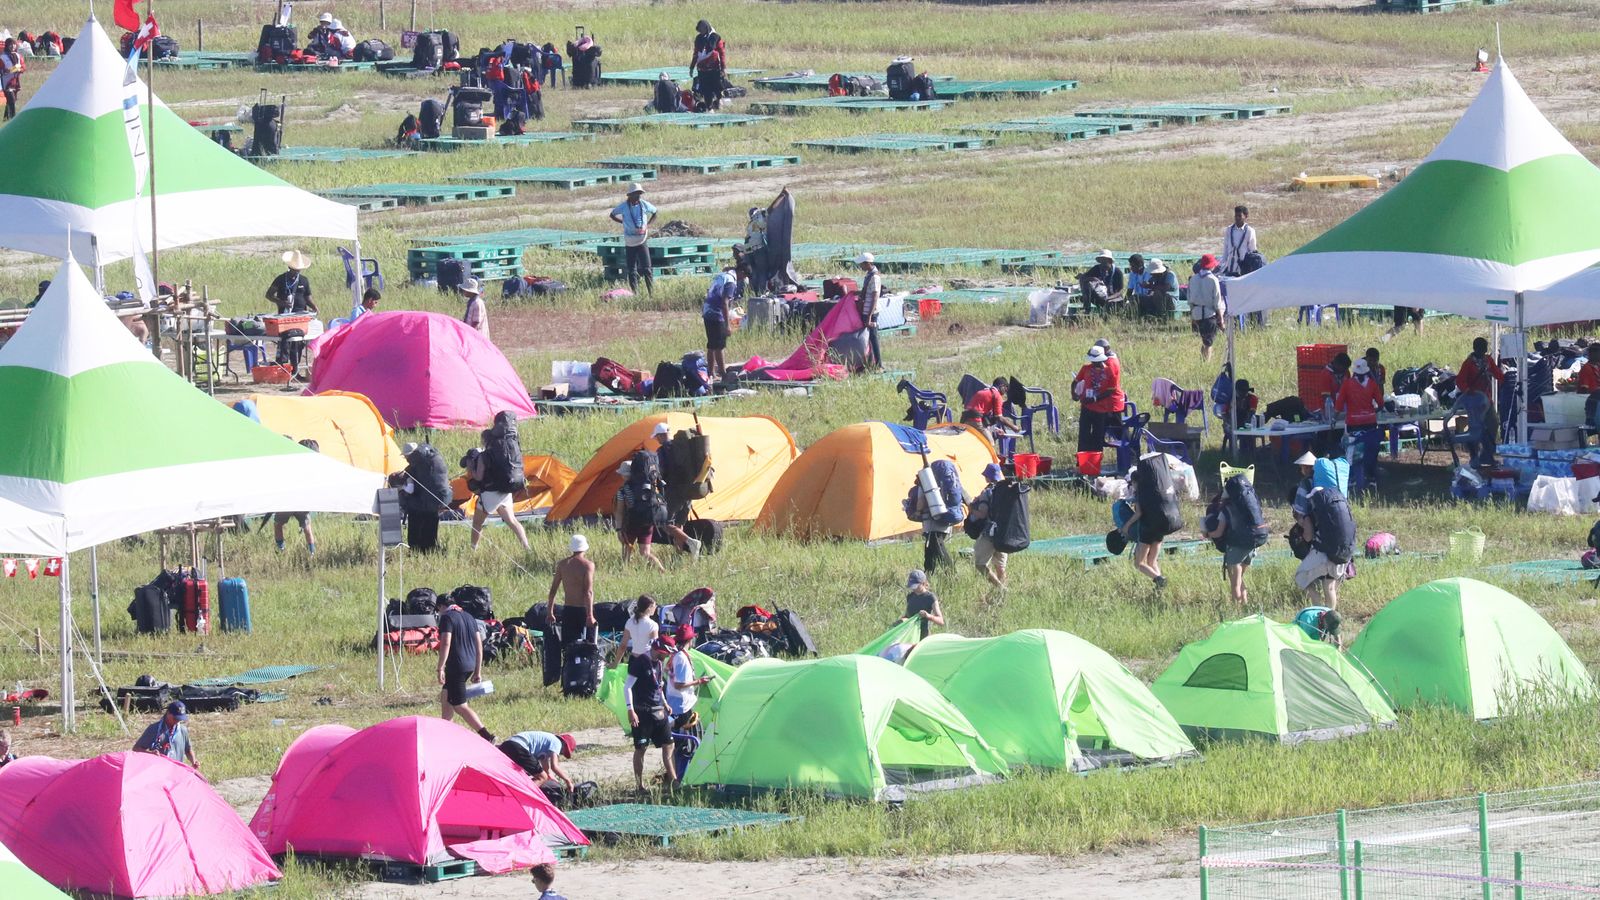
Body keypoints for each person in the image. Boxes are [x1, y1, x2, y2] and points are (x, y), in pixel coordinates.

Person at [1294, 468, 1355, 611]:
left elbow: (1308, 537)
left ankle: (1318, 612)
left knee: (1301, 578)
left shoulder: (1313, 511)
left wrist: (1303, 532)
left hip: (1323, 553)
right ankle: (1330, 618)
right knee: (1329, 586)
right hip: (1341, 551)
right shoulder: (1338, 502)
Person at [438, 599, 495, 742]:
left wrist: (440, 667)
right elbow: (479, 644)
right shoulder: (469, 617)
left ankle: (487, 735)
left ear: (441, 607)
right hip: (470, 664)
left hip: (456, 666)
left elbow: (446, 642)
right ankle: (446, 732)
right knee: (446, 695)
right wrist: (477, 670)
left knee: (460, 705)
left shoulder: (447, 617)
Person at [469, 426, 531, 552]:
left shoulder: (484, 456)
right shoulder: (504, 453)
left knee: (477, 523)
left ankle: (473, 549)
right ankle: (526, 547)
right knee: (512, 521)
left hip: (489, 494)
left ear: (485, 441)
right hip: (505, 491)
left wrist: (471, 469)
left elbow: (479, 477)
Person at [626, 637, 675, 791]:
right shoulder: (640, 661)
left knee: (669, 744)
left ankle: (674, 781)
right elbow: (627, 687)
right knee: (641, 748)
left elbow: (658, 686)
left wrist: (665, 703)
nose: (667, 655)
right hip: (642, 712)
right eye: (666, 652)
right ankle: (639, 785)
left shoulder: (659, 663)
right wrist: (630, 710)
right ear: (659, 649)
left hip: (659, 711)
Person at [651, 424, 703, 558]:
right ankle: (678, 555)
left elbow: (660, 471)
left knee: (665, 523)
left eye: (657, 437)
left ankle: (691, 542)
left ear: (661, 435)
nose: (656, 439)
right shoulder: (683, 447)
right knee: (679, 524)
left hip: (673, 491)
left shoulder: (662, 451)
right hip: (689, 490)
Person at [1337, 357, 1384, 493]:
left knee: (1353, 452)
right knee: (1371, 451)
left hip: (1353, 424)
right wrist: (1371, 411)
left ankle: (1352, 479)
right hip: (1370, 423)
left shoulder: (1347, 384)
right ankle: (1371, 479)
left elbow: (1339, 405)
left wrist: (1333, 419)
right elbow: (1380, 403)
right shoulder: (1372, 384)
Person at [614, 460, 666, 572]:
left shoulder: (622, 491)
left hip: (631, 524)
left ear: (624, 475)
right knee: (645, 553)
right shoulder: (647, 487)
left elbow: (619, 511)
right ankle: (662, 570)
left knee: (627, 550)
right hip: (647, 523)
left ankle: (625, 573)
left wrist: (619, 529)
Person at [1073, 343, 1125, 453]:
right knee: (1084, 434)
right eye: (1092, 361)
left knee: (1098, 435)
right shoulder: (1086, 368)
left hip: (1101, 408)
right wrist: (1075, 394)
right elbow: (1075, 381)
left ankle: (1095, 461)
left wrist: (1095, 399)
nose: (1094, 363)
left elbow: (1111, 390)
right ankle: (1081, 460)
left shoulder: (1110, 371)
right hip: (1086, 406)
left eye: (1096, 361)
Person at [546, 535, 597, 646]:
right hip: (583, 610)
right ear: (584, 548)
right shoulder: (588, 565)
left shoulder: (562, 564)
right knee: (589, 646)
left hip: (568, 610)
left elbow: (553, 590)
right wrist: (590, 616)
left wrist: (550, 612)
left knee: (568, 646)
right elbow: (588, 592)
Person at [397, 441, 448, 552]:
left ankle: (416, 551)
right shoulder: (430, 459)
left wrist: (401, 489)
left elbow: (410, 490)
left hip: (419, 506)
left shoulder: (413, 467)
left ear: (407, 455)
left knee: (416, 534)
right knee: (430, 532)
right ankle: (430, 551)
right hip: (435, 502)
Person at [610, 184, 658, 297]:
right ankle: (635, 294)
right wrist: (623, 223)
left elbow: (655, 212)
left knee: (647, 269)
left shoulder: (644, 204)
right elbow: (612, 215)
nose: (638, 197)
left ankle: (651, 294)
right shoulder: (623, 207)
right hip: (630, 241)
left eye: (639, 194)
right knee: (632, 270)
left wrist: (648, 225)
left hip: (642, 240)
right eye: (636, 194)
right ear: (630, 195)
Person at [274, 439, 320, 553]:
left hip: (287, 502)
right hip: (302, 502)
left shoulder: (290, 464)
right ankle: (312, 552)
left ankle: (281, 550)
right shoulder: (312, 469)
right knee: (307, 528)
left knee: (278, 524)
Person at [968, 463, 1008, 589]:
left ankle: (1000, 588)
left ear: (988, 477)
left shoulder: (988, 492)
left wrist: (971, 509)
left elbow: (982, 514)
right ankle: (1001, 592)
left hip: (990, 533)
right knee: (1000, 567)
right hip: (1004, 532)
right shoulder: (1007, 490)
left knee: (980, 565)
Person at [498, 731, 577, 791]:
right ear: (564, 744)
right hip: (519, 746)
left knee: (526, 775)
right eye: (564, 752)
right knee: (541, 777)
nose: (561, 753)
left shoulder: (546, 743)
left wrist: (551, 777)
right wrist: (568, 780)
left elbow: (546, 769)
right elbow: (554, 766)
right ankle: (525, 796)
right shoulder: (557, 742)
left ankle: (515, 790)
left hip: (507, 745)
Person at [665, 625, 711, 727]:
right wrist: (699, 681)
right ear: (690, 639)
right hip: (681, 705)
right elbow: (679, 685)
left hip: (675, 701)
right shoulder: (681, 658)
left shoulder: (675, 655)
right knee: (682, 736)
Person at [133, 702, 199, 768]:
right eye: (175, 718)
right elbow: (136, 749)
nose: (177, 721)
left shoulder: (183, 730)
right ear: (168, 713)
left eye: (179, 719)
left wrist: (193, 761)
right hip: (158, 772)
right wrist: (150, 754)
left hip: (176, 772)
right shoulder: (154, 729)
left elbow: (188, 750)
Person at [1188, 254, 1224, 361]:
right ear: (1212, 266)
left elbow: (1189, 299)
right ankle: (1206, 364)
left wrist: (1192, 315)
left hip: (1196, 313)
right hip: (1209, 314)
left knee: (1204, 339)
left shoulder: (1193, 279)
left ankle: (1202, 361)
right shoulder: (1213, 279)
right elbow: (1217, 301)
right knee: (1209, 343)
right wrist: (1221, 318)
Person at [703, 264, 736, 378]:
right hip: (716, 313)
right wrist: (727, 325)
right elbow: (725, 302)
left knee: (711, 344)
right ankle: (723, 373)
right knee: (719, 345)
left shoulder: (722, 276)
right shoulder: (731, 282)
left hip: (707, 310)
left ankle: (711, 373)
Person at [687, 19, 726, 111]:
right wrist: (692, 67)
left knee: (717, 87)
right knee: (706, 90)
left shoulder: (715, 38)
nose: (700, 30)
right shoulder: (698, 39)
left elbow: (722, 53)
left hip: (714, 69)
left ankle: (718, 101)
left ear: (706, 27)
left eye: (702, 28)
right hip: (702, 70)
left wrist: (723, 68)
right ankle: (709, 107)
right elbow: (696, 53)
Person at [266, 250, 316, 314]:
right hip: (284, 314)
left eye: (298, 270)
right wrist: (281, 302)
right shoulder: (280, 279)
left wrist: (314, 307)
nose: (296, 272)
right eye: (294, 270)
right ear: (289, 267)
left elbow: (307, 298)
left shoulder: (304, 280)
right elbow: (269, 295)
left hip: (301, 314)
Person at [900, 569, 945, 639]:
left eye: (916, 586)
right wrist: (903, 620)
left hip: (923, 636)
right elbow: (908, 615)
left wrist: (928, 616)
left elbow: (941, 621)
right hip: (910, 636)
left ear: (923, 583)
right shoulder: (910, 596)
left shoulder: (930, 597)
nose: (913, 588)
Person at [856, 252, 882, 370]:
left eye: (862, 264)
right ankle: (870, 363)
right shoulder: (869, 275)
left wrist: (870, 316)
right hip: (866, 311)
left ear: (867, 263)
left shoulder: (875, 277)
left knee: (873, 337)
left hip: (871, 312)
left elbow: (875, 297)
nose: (860, 266)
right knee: (867, 338)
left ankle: (879, 364)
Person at [619, 594, 658, 667]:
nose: (655, 608)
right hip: (647, 661)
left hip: (633, 660)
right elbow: (655, 648)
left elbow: (623, 646)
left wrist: (615, 664)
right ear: (649, 608)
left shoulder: (630, 622)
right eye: (654, 606)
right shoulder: (653, 625)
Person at [0, 38, 21, 121]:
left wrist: (20, 69)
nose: (13, 46)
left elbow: (23, 66)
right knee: (11, 100)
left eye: (14, 44)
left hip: (15, 81)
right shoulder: (2, 57)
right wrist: (5, 71)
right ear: (7, 46)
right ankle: (13, 119)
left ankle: (5, 118)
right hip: (6, 82)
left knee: (11, 100)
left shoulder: (18, 55)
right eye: (11, 44)